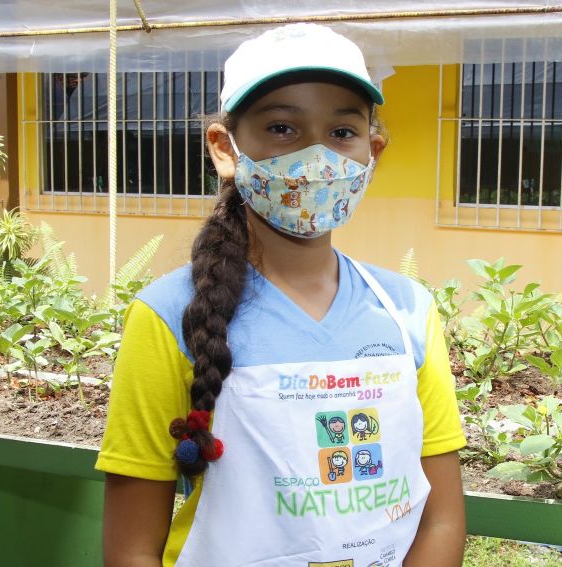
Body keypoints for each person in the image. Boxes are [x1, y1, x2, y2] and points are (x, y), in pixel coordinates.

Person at [96, 23, 467, 567]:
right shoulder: (168, 314)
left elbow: (441, 518)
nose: (317, 158)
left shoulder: (408, 310)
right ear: (225, 148)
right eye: (282, 127)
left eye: (342, 132)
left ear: (373, 153)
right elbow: (132, 549)